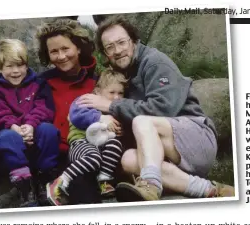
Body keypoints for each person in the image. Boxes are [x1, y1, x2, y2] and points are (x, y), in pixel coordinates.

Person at [76, 15, 235, 202]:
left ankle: (150, 184)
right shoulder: (120, 74)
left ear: (134, 41)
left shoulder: (154, 62)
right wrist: (103, 118)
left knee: (142, 120)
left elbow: (161, 110)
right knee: (127, 159)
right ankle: (209, 190)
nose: (117, 50)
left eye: (121, 42)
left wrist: (112, 105)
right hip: (165, 151)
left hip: (195, 137)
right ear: (105, 53)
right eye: (109, 47)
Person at [0, 19, 101, 209]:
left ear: (79, 48)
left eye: (66, 48)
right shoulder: (40, 82)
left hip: (66, 152)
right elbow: (6, 103)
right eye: (54, 52)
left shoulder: (96, 83)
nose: (61, 56)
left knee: (84, 186)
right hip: (28, 145)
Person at [0, 39, 60, 207]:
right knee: (5, 137)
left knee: (49, 130)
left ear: (26, 65)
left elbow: (44, 108)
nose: (15, 71)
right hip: (12, 136)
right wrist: (14, 126)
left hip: (35, 134)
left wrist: (31, 125)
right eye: (9, 66)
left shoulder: (39, 84)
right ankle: (25, 187)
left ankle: (46, 180)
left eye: (20, 65)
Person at [46, 69, 126, 205]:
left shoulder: (116, 109)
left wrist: (120, 129)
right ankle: (60, 182)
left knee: (115, 144)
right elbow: (76, 115)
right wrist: (99, 117)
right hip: (80, 144)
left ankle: (104, 179)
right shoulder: (87, 100)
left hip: (101, 148)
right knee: (93, 157)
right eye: (112, 92)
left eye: (120, 93)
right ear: (98, 92)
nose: (116, 97)